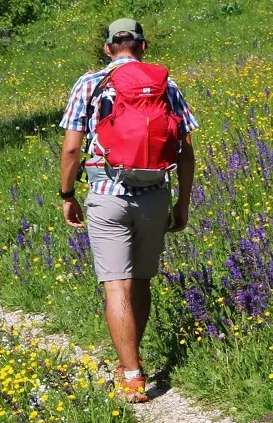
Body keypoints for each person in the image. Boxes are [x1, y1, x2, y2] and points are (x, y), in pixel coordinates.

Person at [58, 18, 197, 403]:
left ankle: (132, 374)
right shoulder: (167, 87)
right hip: (154, 194)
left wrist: (67, 193)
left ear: (108, 49)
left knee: (115, 284)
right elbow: (185, 152)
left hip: (106, 193)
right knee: (141, 281)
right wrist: (182, 203)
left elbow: (71, 148)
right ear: (143, 46)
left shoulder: (89, 84)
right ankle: (132, 358)